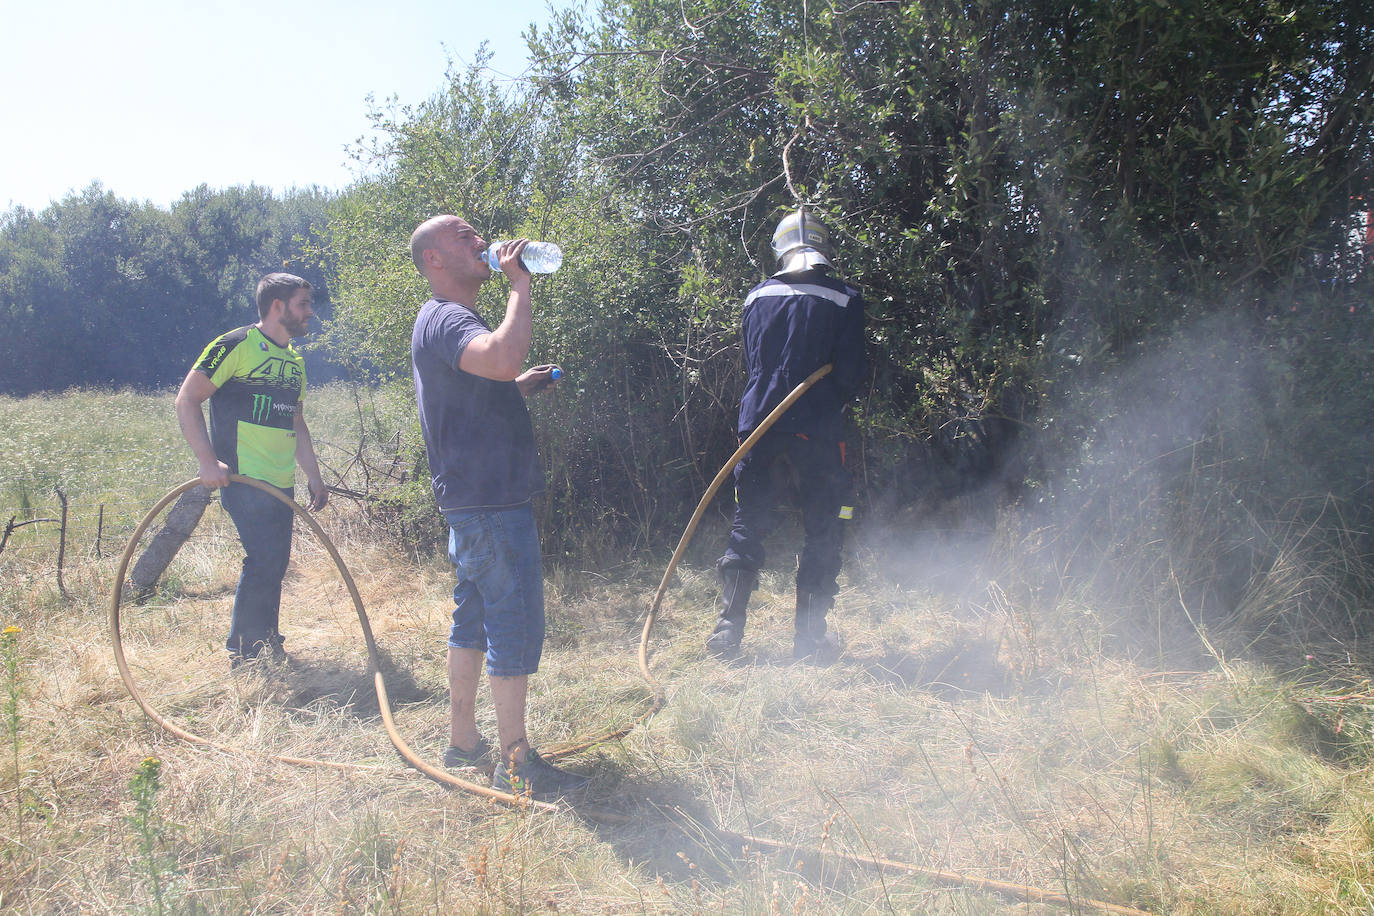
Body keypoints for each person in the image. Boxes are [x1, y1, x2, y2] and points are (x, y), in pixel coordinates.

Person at [409, 214, 588, 801]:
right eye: (464, 236)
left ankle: (463, 744)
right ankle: (517, 763)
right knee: (511, 621)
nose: (481, 242)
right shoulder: (446, 316)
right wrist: (520, 285)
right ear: (434, 259)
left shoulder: (448, 321)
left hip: (474, 500)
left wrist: (518, 389)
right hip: (489, 502)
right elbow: (501, 356)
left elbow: (485, 381)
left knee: (475, 619)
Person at [708, 208, 866, 662]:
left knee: (747, 522)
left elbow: (753, 361)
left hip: (759, 423)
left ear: (781, 251)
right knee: (824, 524)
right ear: (822, 248)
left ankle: (727, 632)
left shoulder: (757, 297)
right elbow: (852, 373)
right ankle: (810, 642)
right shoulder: (844, 298)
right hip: (816, 427)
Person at [175, 272, 328, 666]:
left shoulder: (294, 362)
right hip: (242, 475)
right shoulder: (236, 345)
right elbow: (187, 400)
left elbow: (295, 421)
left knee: (274, 562)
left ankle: (266, 641)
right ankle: (244, 651)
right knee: (263, 559)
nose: (310, 312)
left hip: (281, 481)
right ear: (277, 306)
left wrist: (313, 476)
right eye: (303, 304)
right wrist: (208, 462)